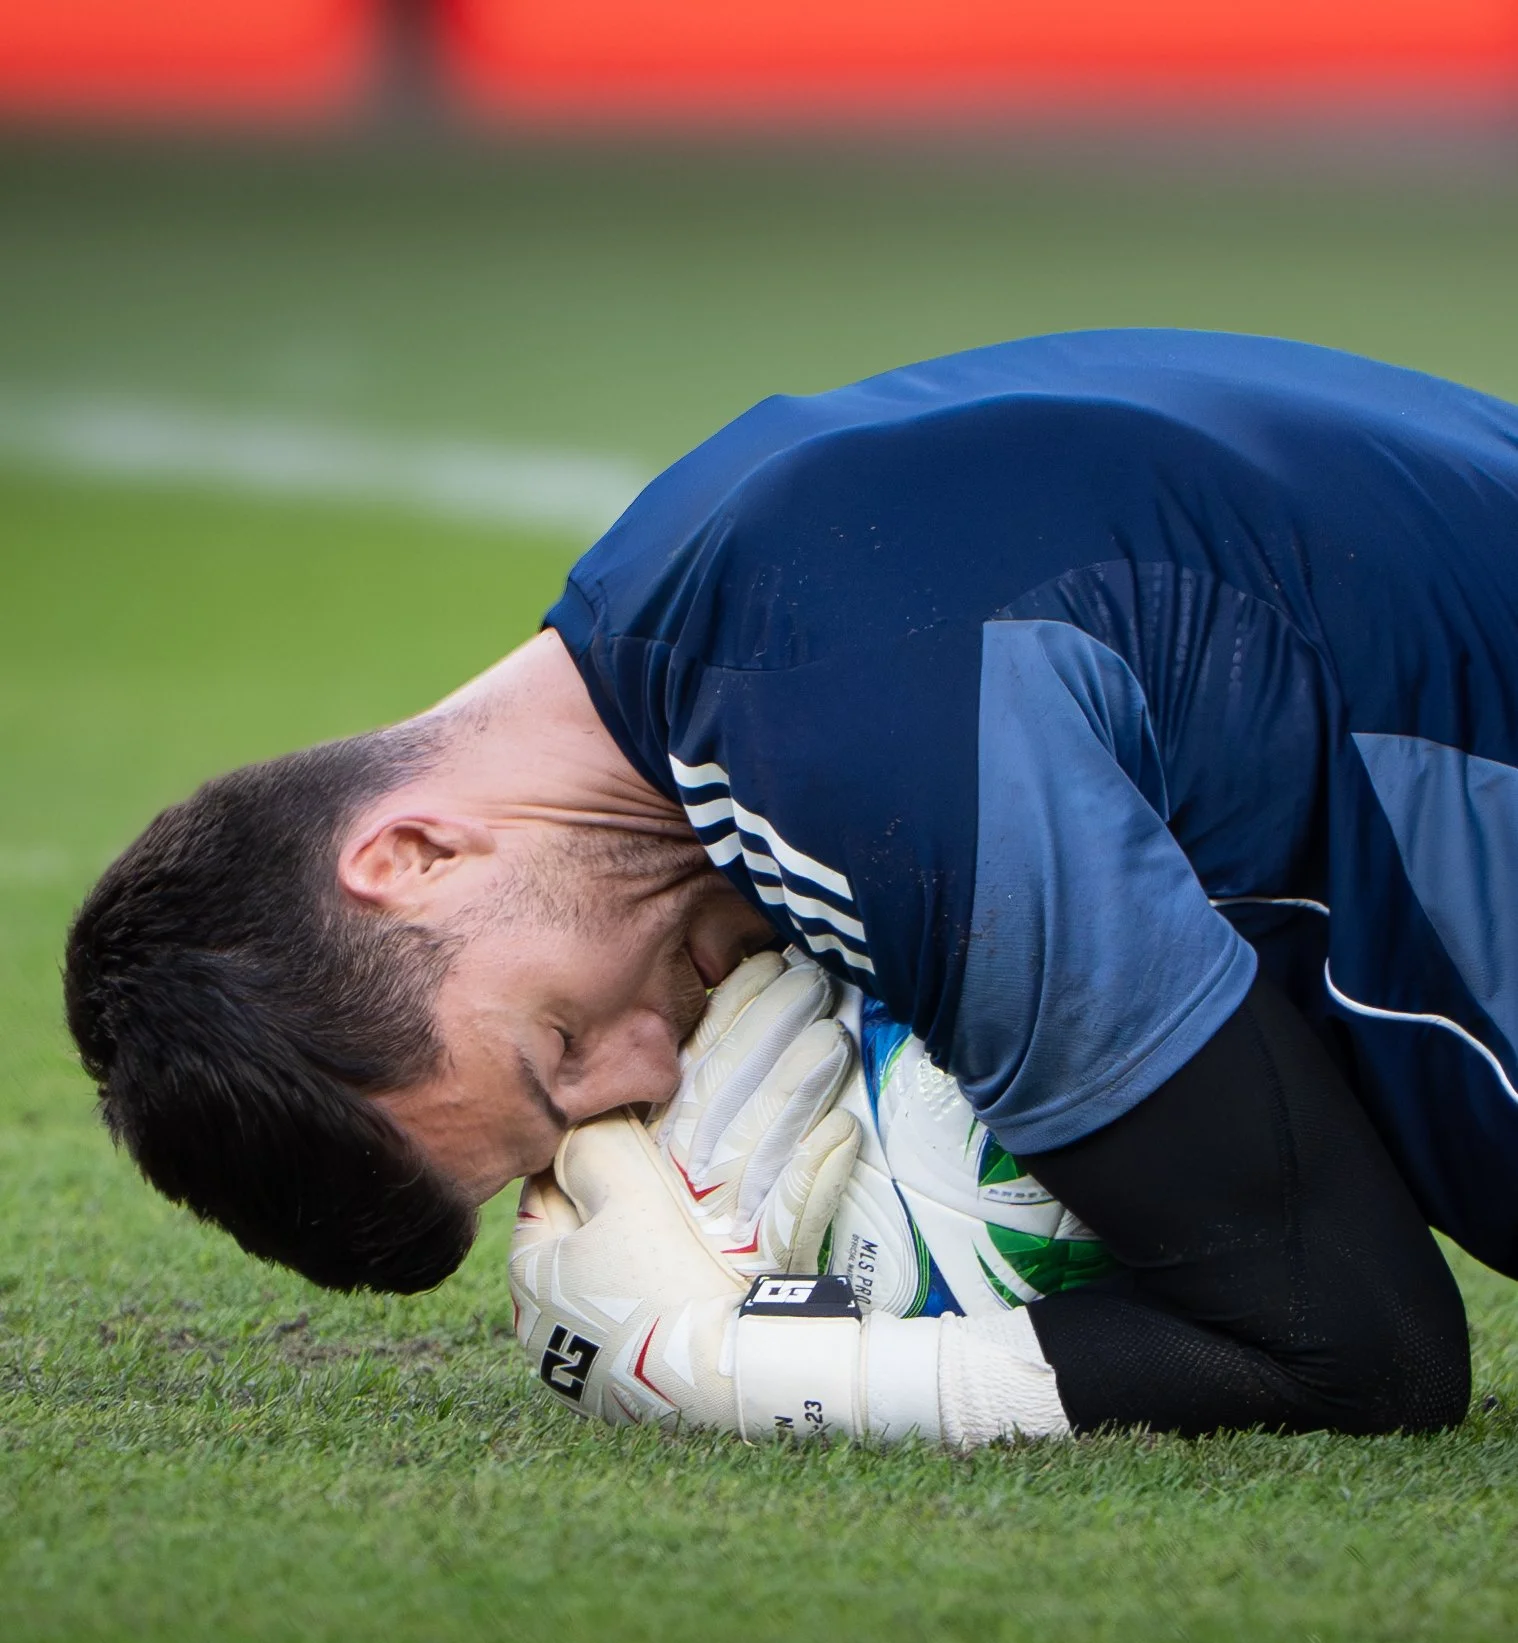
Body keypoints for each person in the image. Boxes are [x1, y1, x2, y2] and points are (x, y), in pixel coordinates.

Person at [69, 327, 1518, 1437]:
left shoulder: (838, 742)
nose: (644, 1088)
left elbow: (1349, 1339)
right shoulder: (686, 566)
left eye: (559, 1056)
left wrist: (752, 1362)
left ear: (412, 856)